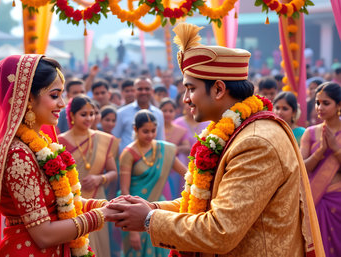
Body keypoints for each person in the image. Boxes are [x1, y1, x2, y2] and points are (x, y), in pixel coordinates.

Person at [106, 23, 324, 257]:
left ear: (219, 89)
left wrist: (149, 220)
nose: (186, 99)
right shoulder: (234, 131)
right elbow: (206, 203)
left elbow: (221, 229)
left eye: (190, 89)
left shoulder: (256, 142)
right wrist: (153, 208)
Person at [0, 55, 118, 257]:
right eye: (54, 95)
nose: (62, 104)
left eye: (61, 95)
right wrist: (101, 216)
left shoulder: (41, 143)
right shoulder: (17, 154)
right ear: (27, 98)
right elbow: (43, 234)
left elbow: (63, 205)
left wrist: (107, 206)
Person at [119, 110, 186, 257]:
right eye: (145, 131)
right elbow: (124, 190)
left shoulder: (164, 149)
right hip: (133, 211)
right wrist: (132, 231)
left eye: (153, 131)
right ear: (135, 129)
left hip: (157, 209)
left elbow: (186, 174)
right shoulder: (128, 153)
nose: (150, 135)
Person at [58, 95, 118, 257]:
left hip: (97, 199)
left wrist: (100, 178)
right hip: (71, 202)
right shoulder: (60, 141)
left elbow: (113, 172)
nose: (89, 118)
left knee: (100, 246)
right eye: (83, 114)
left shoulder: (103, 139)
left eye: (92, 114)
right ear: (72, 116)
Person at [300, 82, 341, 257]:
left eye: (326, 103)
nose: (320, 107)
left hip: (337, 200)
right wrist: (321, 152)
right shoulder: (310, 133)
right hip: (314, 198)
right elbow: (302, 169)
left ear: (339, 105)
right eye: (317, 102)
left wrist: (336, 148)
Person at [113, 77, 165, 153]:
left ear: (152, 91)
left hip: (151, 160)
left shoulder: (158, 114)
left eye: (147, 89)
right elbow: (115, 139)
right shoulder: (121, 113)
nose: (144, 92)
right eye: (140, 89)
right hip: (127, 160)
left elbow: (160, 141)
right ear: (134, 91)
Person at [160, 98, 190, 199]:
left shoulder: (180, 130)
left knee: (174, 195)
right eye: (164, 111)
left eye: (170, 111)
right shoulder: (154, 129)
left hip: (174, 168)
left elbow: (187, 147)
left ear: (175, 112)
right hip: (158, 166)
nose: (167, 114)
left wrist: (175, 149)